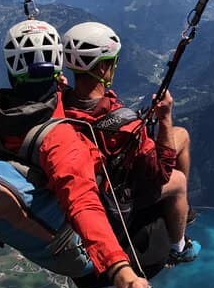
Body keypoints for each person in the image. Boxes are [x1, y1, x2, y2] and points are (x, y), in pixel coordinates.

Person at [0, 19, 164, 288]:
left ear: (10, 68)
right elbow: (82, 203)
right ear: (58, 66)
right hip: (67, 234)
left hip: (29, 222)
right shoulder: (60, 139)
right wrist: (123, 274)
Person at [60, 21, 199, 265]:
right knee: (178, 181)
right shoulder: (123, 125)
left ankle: (180, 211)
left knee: (182, 135)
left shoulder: (59, 103)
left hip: (90, 178)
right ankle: (179, 246)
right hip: (114, 194)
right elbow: (161, 173)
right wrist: (165, 118)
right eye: (112, 62)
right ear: (102, 67)